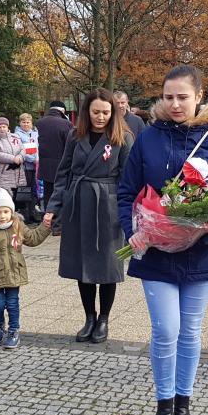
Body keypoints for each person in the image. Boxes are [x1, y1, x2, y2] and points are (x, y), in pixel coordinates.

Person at [117, 65, 208, 415]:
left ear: (199, 96)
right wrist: (132, 230)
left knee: (190, 331)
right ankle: (163, 404)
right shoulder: (148, 138)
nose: (175, 104)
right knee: (165, 330)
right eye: (169, 97)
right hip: (155, 250)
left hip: (202, 253)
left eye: (183, 97)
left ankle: (183, 404)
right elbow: (126, 192)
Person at [44, 88, 133, 344]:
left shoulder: (123, 137)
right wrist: (54, 207)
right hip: (78, 202)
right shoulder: (75, 136)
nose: (101, 117)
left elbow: (128, 178)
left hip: (108, 205)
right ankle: (89, 317)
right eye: (96, 112)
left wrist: (127, 214)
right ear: (87, 112)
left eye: (106, 112)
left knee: (106, 265)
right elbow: (63, 174)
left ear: (113, 112)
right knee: (81, 264)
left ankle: (104, 318)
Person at [0, 187, 52, 349]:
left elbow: (33, 238)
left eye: (5, 212)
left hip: (14, 274)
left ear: (11, 211)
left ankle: (14, 330)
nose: (2, 216)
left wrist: (45, 226)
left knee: (12, 303)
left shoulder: (18, 226)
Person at [36, 101, 72, 214]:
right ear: (62, 111)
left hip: (44, 166)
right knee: (61, 193)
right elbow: (70, 146)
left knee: (48, 193)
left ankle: (47, 219)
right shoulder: (66, 124)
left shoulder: (39, 123)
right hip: (62, 166)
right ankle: (59, 221)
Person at [0, 116, 27, 203]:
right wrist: (13, 158)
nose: (2, 129)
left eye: (4, 127)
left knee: (19, 199)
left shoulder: (15, 137)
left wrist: (20, 157)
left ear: (7, 127)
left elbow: (23, 149)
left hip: (18, 173)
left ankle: (19, 215)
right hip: (4, 173)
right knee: (6, 199)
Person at [15, 112, 40, 220]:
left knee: (35, 190)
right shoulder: (17, 135)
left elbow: (38, 148)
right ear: (20, 123)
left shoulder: (35, 133)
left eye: (28, 122)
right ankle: (24, 215)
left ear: (31, 123)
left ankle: (32, 213)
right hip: (25, 166)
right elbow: (19, 150)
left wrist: (38, 159)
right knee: (24, 190)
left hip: (36, 166)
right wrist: (32, 159)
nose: (26, 124)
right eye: (23, 122)